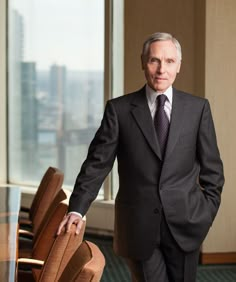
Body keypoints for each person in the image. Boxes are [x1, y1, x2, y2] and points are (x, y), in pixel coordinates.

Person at [57, 32, 224, 282]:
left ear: (179, 65)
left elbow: (213, 173)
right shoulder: (119, 110)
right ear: (143, 62)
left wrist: (204, 215)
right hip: (137, 225)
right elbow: (97, 164)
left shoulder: (198, 109)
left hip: (187, 224)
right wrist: (77, 210)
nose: (161, 69)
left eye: (169, 61)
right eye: (154, 60)